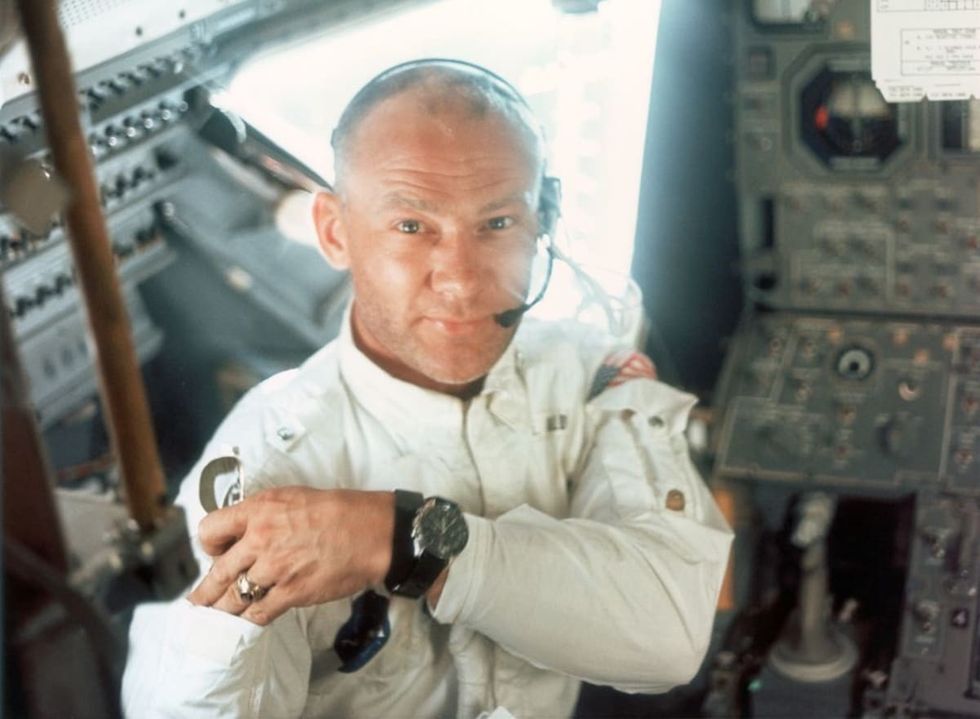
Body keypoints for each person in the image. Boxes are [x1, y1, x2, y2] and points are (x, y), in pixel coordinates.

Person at [122, 59, 733, 718]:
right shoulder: (268, 464)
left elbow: (669, 630)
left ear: (543, 221)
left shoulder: (587, 371)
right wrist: (225, 636)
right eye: (413, 227)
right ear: (335, 232)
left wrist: (401, 538)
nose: (463, 280)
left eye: (498, 223)